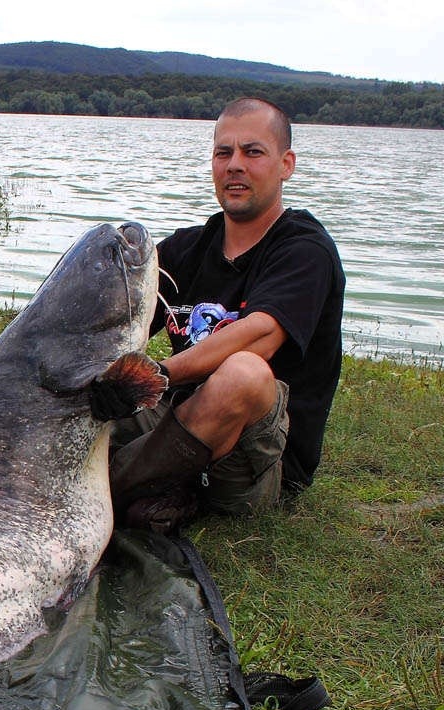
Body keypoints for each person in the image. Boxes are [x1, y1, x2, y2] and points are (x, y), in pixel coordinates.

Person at [107, 97, 346, 533]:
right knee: (87, 379)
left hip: (254, 459)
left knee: (244, 373)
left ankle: (108, 494)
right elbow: (121, 318)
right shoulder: (187, 248)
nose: (234, 165)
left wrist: (155, 374)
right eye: (224, 152)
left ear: (285, 164)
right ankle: (155, 484)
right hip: (178, 418)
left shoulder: (304, 249)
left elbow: (260, 336)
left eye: (252, 152)